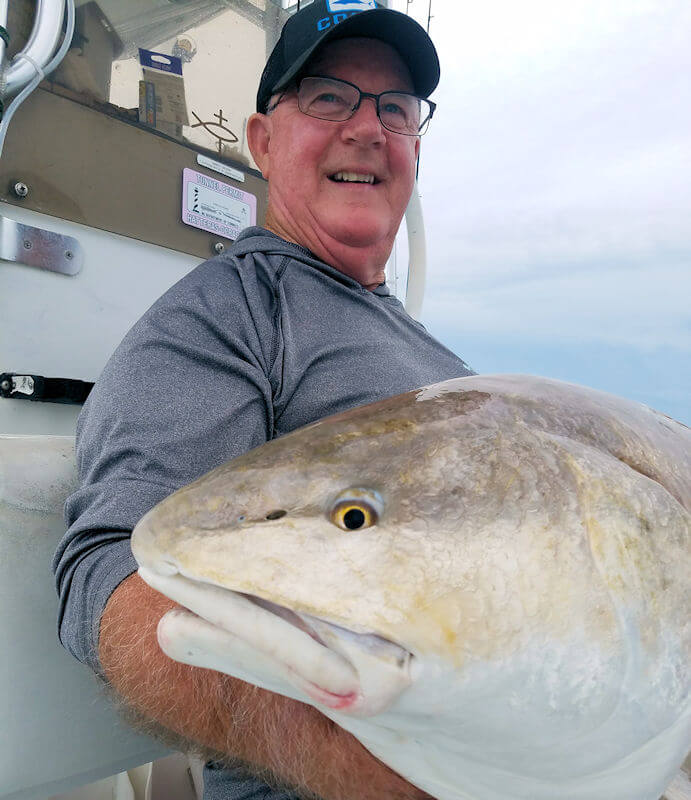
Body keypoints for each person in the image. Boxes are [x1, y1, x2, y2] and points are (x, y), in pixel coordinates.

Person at [53, 2, 474, 798]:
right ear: (262, 140)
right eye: (327, 97)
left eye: (395, 108)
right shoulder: (225, 318)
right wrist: (387, 768)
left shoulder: (425, 347)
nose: (366, 128)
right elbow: (107, 574)